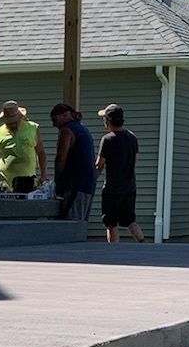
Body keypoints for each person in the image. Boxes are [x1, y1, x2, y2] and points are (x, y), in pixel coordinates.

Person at [96, 104, 144, 244]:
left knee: (111, 224)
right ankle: (143, 244)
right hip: (130, 186)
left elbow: (99, 164)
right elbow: (135, 161)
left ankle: (113, 253)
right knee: (130, 221)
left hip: (113, 188)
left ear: (109, 120)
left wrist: (92, 179)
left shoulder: (108, 139)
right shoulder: (132, 138)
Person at [50, 103, 96, 224]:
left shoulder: (67, 131)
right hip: (88, 186)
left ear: (65, 115)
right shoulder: (83, 130)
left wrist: (57, 184)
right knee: (81, 223)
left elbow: (60, 158)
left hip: (75, 185)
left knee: (70, 225)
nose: (54, 124)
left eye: (55, 120)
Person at [0, 100, 46, 193]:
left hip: (28, 182)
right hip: (6, 185)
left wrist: (43, 175)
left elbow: (41, 153)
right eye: (10, 122)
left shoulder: (32, 128)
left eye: (15, 121)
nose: (13, 124)